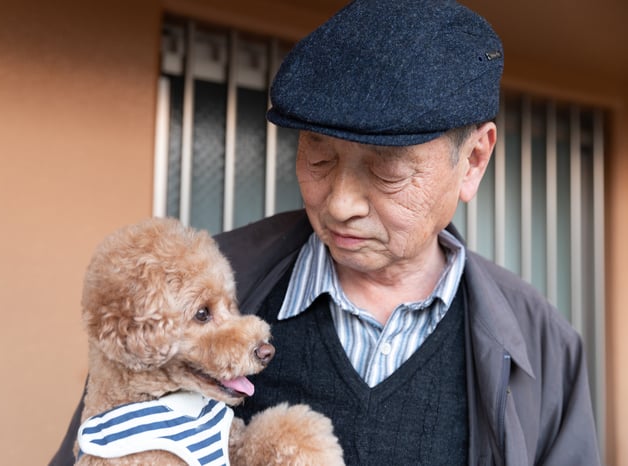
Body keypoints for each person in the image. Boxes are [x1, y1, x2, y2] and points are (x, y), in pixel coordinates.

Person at [51, 0, 601, 464]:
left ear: (474, 160)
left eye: (386, 169)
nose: (339, 204)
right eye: (318, 156)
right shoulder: (199, 291)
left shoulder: (542, 346)